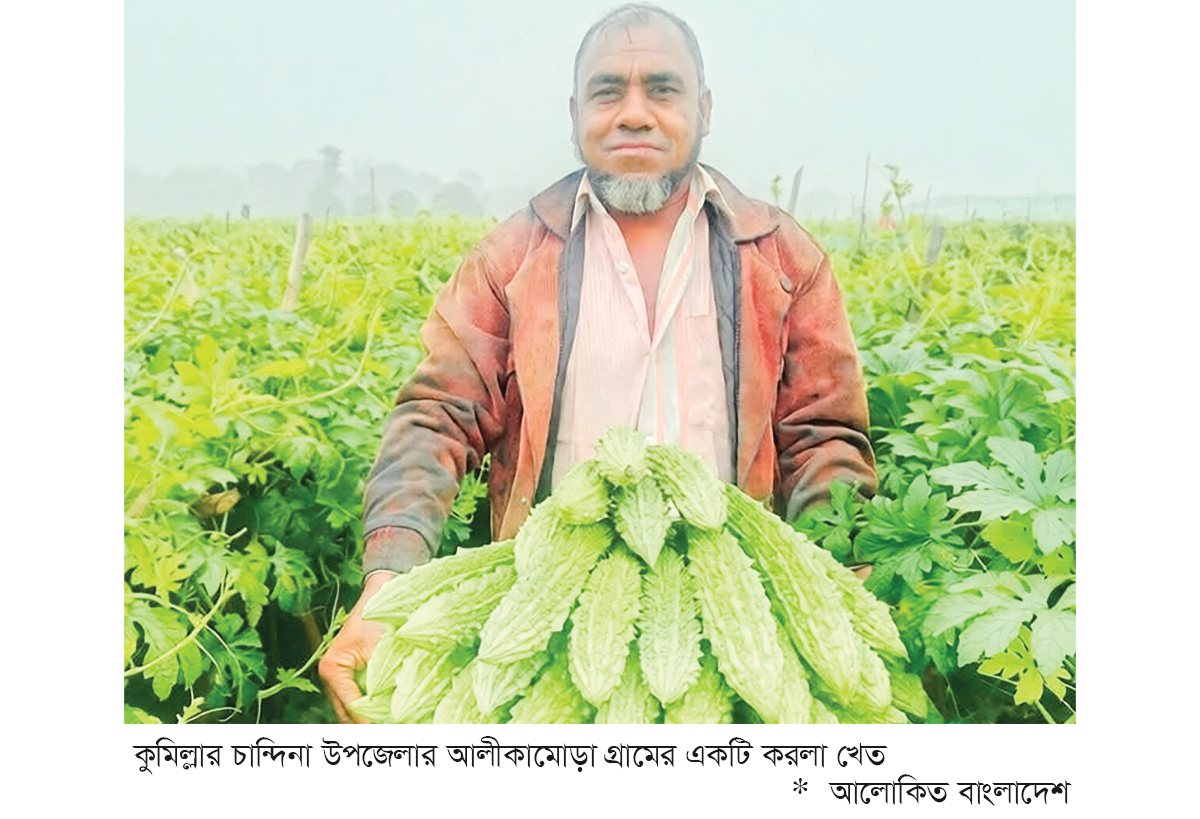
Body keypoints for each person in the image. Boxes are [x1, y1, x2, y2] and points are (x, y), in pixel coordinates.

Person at [318, 2, 877, 724]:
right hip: (541, 617)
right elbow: (436, 416)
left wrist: (848, 586)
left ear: (704, 109)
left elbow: (824, 435)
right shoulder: (511, 257)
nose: (634, 113)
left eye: (663, 90)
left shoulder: (782, 258)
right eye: (608, 90)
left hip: (731, 621)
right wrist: (388, 576)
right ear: (575, 111)